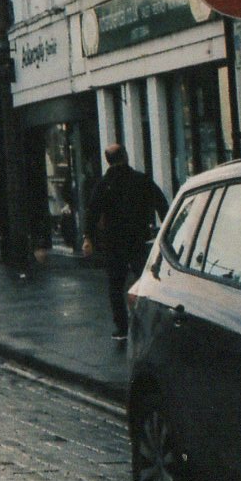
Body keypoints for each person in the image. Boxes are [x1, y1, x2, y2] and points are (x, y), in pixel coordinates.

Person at [83, 144, 170, 341]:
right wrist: (167, 229)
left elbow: (92, 213)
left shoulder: (103, 184)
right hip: (138, 239)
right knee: (145, 282)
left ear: (108, 161)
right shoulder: (141, 179)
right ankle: (149, 324)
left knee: (116, 286)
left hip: (113, 242)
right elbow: (161, 203)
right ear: (126, 156)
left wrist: (88, 238)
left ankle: (121, 328)